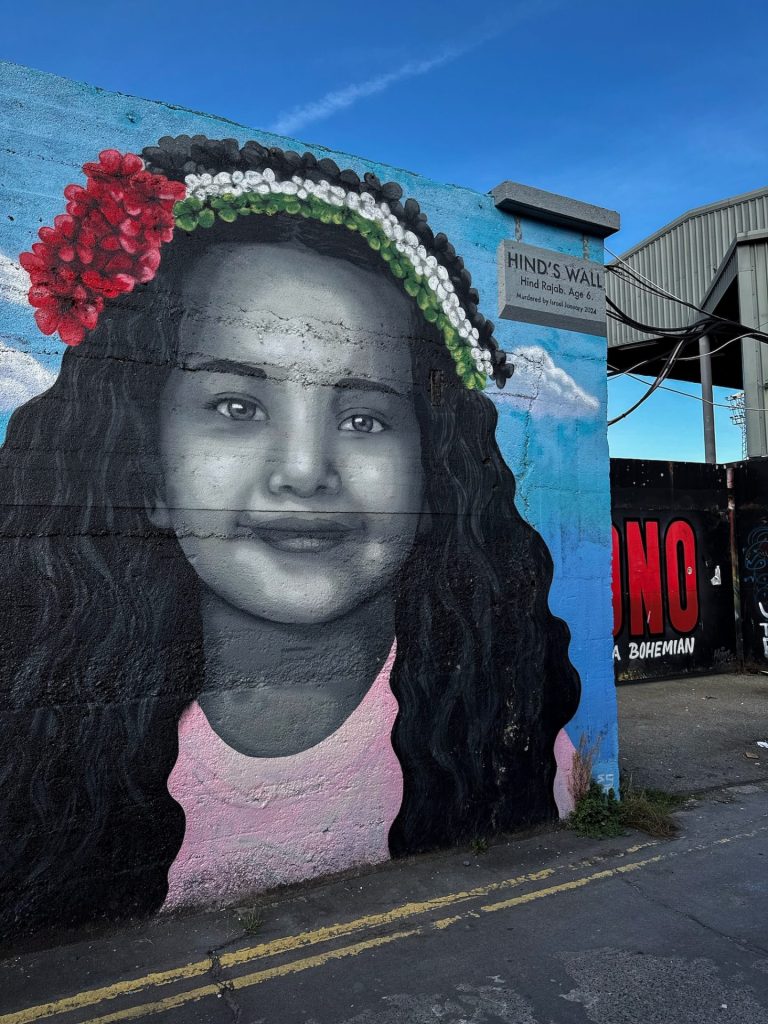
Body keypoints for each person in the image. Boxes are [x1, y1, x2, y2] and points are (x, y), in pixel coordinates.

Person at [0, 137, 580, 938]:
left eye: (364, 417)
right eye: (236, 407)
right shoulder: (41, 760)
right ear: (149, 467)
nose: (306, 472)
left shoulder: (512, 739)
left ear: (433, 473)